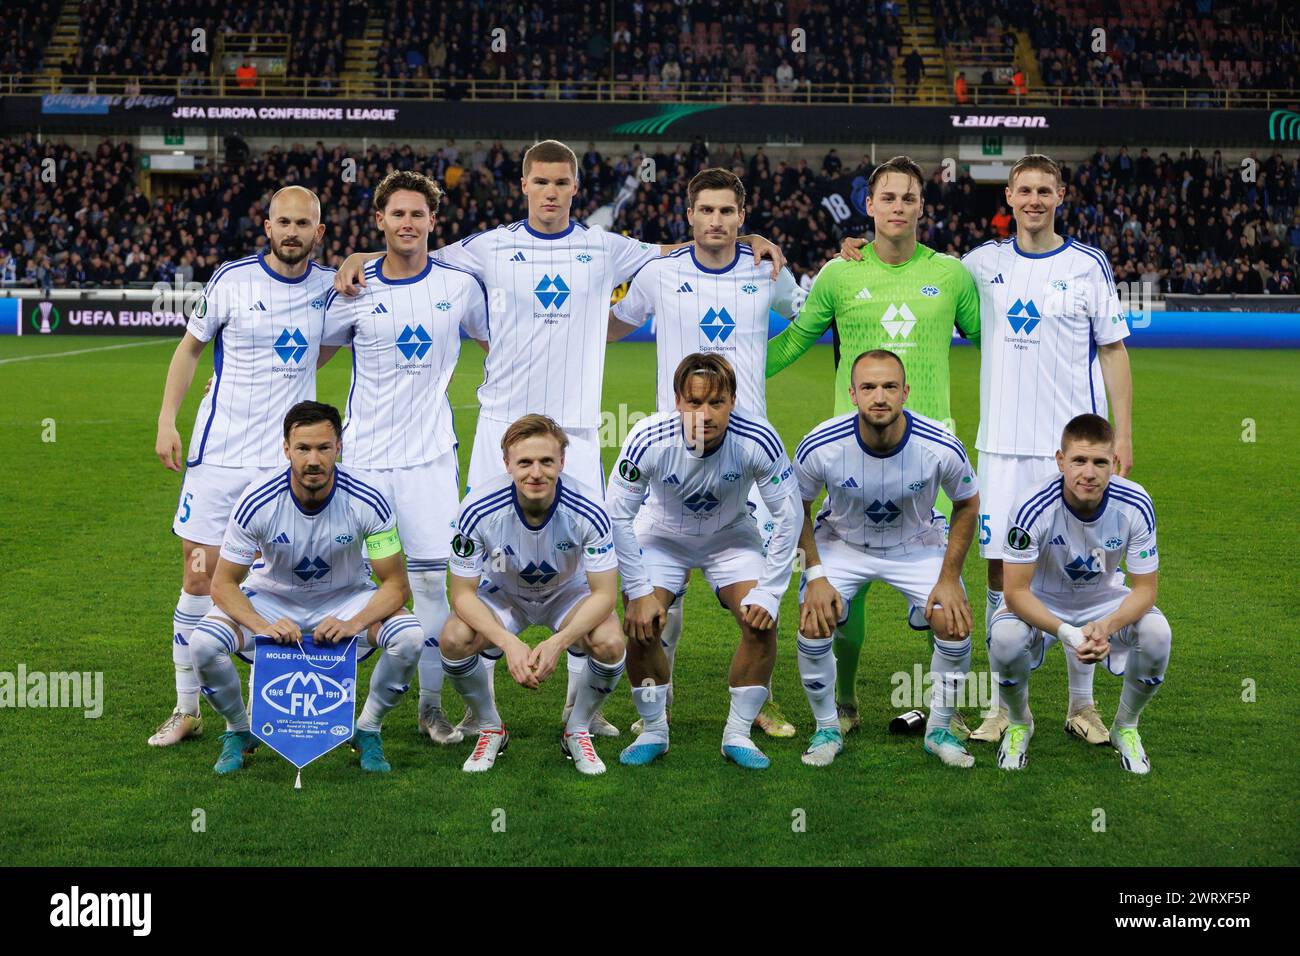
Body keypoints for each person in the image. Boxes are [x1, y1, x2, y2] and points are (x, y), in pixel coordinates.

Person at [331, 139, 785, 740]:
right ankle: (479, 710)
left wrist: (751, 243)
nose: (550, 192)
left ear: (576, 188)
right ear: (524, 185)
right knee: (480, 565)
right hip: (500, 427)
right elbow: (417, 252)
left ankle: (585, 711)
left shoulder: (607, 247)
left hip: (574, 433)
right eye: (540, 182)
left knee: (584, 572)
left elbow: (682, 248)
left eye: (561, 183)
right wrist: (364, 252)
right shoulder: (490, 247)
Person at [778, 155, 981, 736]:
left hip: (932, 454)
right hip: (850, 454)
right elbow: (795, 342)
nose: (897, 207)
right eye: (886, 197)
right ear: (869, 206)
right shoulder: (840, 274)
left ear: (922, 206)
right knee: (850, 594)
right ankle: (844, 703)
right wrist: (729, 372)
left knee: (941, 597)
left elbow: (995, 339)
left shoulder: (952, 275)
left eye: (907, 198)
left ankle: (943, 713)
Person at [608, 166, 803, 739]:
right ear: (688, 215)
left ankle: (755, 705)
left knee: (763, 595)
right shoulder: (660, 273)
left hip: (749, 453)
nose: (715, 220)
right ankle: (657, 711)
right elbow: (617, 325)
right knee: (658, 600)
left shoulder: (767, 270)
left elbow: (809, 317)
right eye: (705, 210)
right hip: (673, 449)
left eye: (727, 211)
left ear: (742, 218)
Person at [150, 186, 335, 747]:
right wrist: (166, 420)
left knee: (264, 583)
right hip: (219, 457)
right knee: (200, 576)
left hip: (281, 464)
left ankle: (266, 706)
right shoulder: (231, 279)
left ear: (318, 232)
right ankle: (186, 710)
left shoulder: (330, 289)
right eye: (283, 221)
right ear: (267, 224)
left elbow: (325, 345)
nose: (292, 231)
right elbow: (189, 349)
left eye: (303, 223)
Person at [961, 154, 1134, 746]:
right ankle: (1006, 706)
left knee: (1077, 571)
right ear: (1008, 196)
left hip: (1071, 452)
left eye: (1044, 190)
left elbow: (1113, 350)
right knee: (999, 571)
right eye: (1023, 189)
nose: (1033, 199)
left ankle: (1081, 705)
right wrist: (857, 246)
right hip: (1003, 449)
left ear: (1061, 195)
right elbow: (911, 266)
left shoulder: (1088, 265)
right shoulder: (981, 264)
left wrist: (1124, 436)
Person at [320, 169, 488, 747]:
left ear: (433, 223)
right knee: (347, 584)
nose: (408, 223)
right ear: (379, 220)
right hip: (362, 464)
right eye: (398, 214)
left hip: (429, 464)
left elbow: (503, 343)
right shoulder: (353, 289)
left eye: (418, 214)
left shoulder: (461, 287)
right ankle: (327, 705)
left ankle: (430, 707)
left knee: (434, 588)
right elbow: (308, 357)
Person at [189, 401, 425, 775]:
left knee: (410, 637)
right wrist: (260, 626)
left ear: (339, 448)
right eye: (302, 448)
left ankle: (367, 730)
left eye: (323, 448)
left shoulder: (370, 498)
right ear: (286, 449)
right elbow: (222, 583)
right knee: (203, 643)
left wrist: (355, 623)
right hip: (271, 600)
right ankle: (239, 730)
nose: (313, 459)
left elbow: (397, 585)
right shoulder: (256, 500)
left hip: (347, 599)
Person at [607, 354, 800, 770]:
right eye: (694, 403)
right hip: (661, 537)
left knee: (759, 621)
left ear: (733, 400)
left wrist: (769, 591)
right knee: (642, 625)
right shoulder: (647, 437)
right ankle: (655, 730)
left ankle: (738, 734)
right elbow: (618, 515)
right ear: (678, 401)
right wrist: (639, 592)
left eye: (716, 402)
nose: (705, 414)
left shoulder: (758, 438)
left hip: (730, 536)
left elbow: (789, 515)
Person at [794, 350, 979, 768]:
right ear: (853, 394)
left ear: (905, 392)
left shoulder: (939, 445)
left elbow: (967, 504)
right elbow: (796, 508)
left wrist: (949, 577)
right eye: (869, 387)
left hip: (917, 543)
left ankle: (939, 730)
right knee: (814, 618)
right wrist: (817, 575)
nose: (880, 397)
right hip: (843, 543)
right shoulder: (821, 443)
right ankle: (827, 726)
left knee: (953, 622)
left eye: (890, 387)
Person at [439, 415, 626, 775]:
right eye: (524, 462)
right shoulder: (477, 508)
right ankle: (490, 727)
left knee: (610, 641)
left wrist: (559, 642)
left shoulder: (589, 508)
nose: (535, 472)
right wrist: (508, 643)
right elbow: (462, 595)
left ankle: (578, 729)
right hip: (504, 593)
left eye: (546, 461)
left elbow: (604, 595)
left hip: (566, 593)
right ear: (507, 464)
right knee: (454, 637)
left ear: (562, 463)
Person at [989, 414, 1170, 774]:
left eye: (1100, 462)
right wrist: (1069, 633)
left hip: (1104, 598)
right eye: (1079, 461)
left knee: (1157, 634)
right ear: (1061, 461)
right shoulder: (1030, 505)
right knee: (1005, 637)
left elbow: (1145, 590)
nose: (1089, 472)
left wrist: (1105, 626)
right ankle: (1020, 723)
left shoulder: (1135, 503)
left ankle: (1126, 727)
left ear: (1113, 463)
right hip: (1042, 598)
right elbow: (1015, 592)